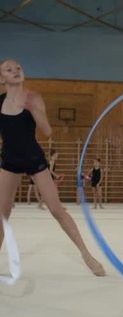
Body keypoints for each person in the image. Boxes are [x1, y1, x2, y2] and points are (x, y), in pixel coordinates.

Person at [0, 59, 105, 276]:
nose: (15, 70)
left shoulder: (33, 99)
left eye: (18, 67)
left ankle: (86, 254)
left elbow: (47, 132)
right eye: (9, 69)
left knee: (56, 209)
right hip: (9, 160)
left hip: (33, 159)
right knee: (3, 213)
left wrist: (37, 110)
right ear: (2, 79)